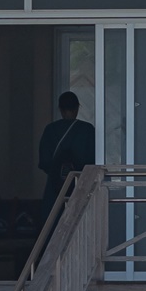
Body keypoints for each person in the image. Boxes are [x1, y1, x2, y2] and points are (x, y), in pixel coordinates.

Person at [37, 90, 97, 221]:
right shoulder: (87, 130)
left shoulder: (50, 130)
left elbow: (44, 161)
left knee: (53, 223)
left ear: (60, 109)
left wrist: (58, 172)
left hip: (54, 189)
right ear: (77, 108)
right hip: (81, 186)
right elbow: (93, 161)